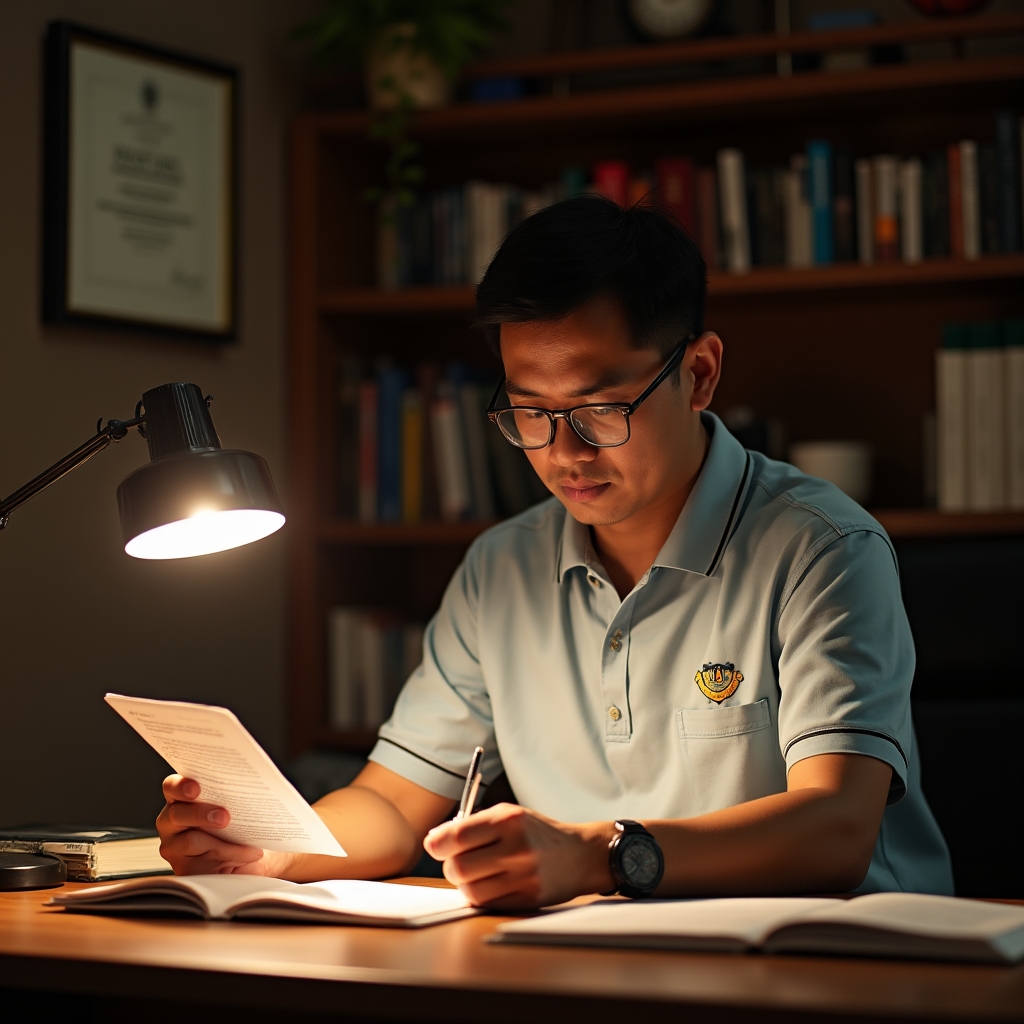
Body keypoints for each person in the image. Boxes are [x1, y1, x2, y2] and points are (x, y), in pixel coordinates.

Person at [157, 195, 953, 908]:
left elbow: (836, 826)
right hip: (592, 965)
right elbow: (395, 805)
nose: (564, 452)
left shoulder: (821, 549)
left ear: (700, 373)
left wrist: (598, 857)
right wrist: (267, 846)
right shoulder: (502, 567)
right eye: (529, 411)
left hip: (828, 964)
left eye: (600, 408)